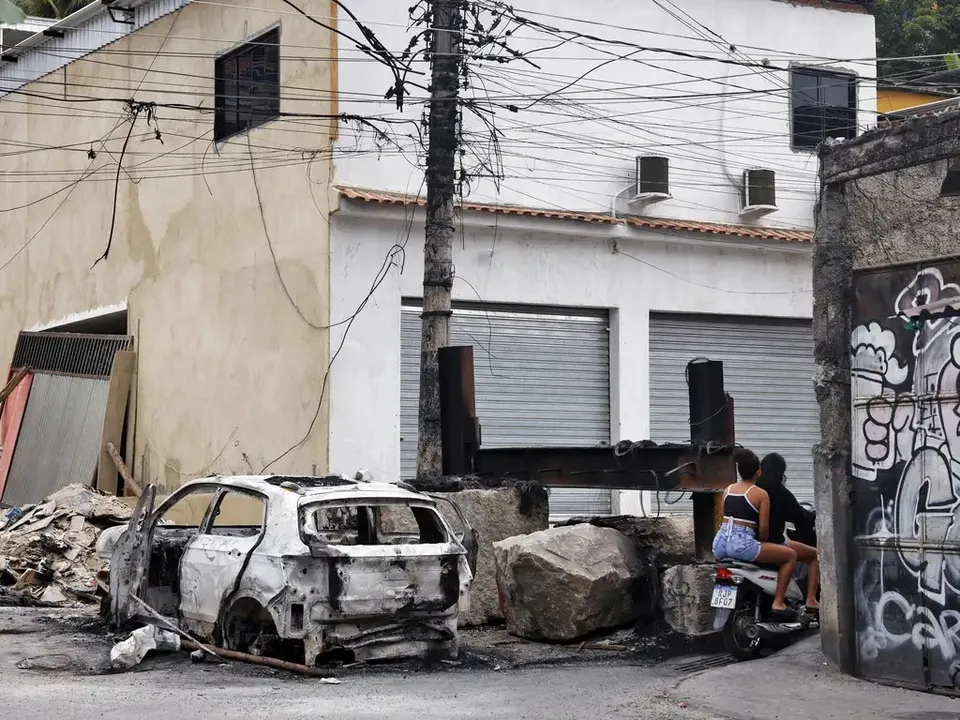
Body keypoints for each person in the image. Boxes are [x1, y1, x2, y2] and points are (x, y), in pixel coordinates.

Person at [712, 447, 797, 617]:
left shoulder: (728, 490)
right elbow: (763, 528)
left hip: (720, 544)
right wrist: (763, 541)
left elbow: (724, 518)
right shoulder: (760, 494)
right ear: (758, 471)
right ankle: (779, 602)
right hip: (743, 545)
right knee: (791, 556)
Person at [758, 452, 819, 613]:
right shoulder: (780, 492)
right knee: (814, 556)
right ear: (781, 472)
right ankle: (811, 600)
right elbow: (799, 517)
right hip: (772, 543)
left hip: (750, 542)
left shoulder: (753, 488)